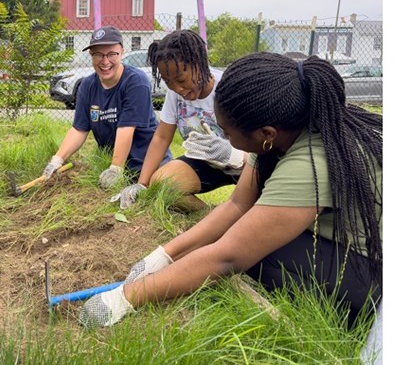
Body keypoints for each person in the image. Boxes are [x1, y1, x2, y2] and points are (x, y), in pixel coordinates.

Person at [78, 53, 382, 330]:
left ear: (266, 134)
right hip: (343, 245)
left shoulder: (311, 161)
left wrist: (127, 296)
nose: (223, 136)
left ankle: (349, 318)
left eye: (228, 133)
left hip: (375, 270)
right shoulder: (280, 131)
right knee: (241, 233)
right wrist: (164, 255)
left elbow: (227, 257)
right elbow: (237, 205)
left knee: (258, 254)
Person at [110, 30, 245, 211]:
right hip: (206, 164)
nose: (177, 88)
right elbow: (162, 138)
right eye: (168, 81)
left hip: (245, 164)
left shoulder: (229, 87)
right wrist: (142, 184)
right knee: (161, 185)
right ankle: (208, 217)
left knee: (259, 212)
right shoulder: (175, 94)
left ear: (200, 63)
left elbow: (264, 145)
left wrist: (236, 154)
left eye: (181, 79)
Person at [41, 26, 172, 189]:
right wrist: (57, 160)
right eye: (98, 54)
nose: (105, 61)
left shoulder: (136, 82)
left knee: (171, 198)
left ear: (122, 52)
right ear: (91, 55)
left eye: (111, 54)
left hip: (149, 167)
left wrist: (115, 169)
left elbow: (126, 128)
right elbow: (79, 129)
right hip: (114, 169)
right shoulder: (87, 85)